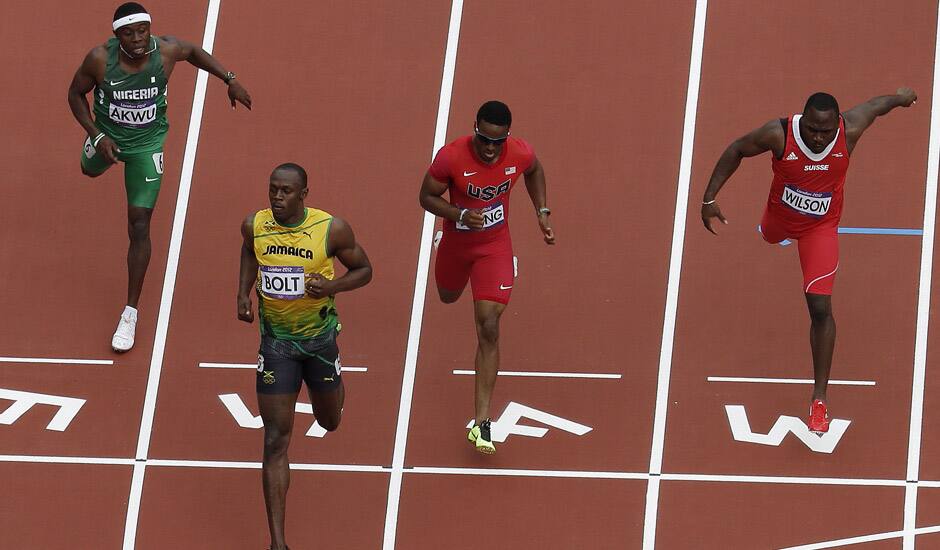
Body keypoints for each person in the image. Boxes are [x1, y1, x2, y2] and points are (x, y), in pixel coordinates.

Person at [701, 87, 917, 434]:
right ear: (802, 122)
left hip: (821, 229)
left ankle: (819, 400)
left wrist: (900, 97)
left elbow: (877, 106)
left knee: (820, 309)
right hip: (779, 219)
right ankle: (777, 233)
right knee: (770, 235)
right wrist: (710, 197)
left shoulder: (851, 129)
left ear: (837, 126)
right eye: (812, 130)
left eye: (826, 131)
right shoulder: (779, 133)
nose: (818, 138)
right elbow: (737, 149)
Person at [67, 2, 252, 352]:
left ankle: (130, 312)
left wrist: (230, 79)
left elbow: (194, 51)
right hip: (107, 137)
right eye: (128, 34)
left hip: (147, 145)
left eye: (142, 31)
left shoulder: (165, 51)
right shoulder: (97, 61)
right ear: (116, 36)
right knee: (87, 169)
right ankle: (99, 148)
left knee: (139, 224)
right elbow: (74, 94)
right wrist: (96, 134)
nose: (137, 40)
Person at [237, 163, 371, 550]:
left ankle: (332, 388)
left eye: (285, 192)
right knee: (276, 439)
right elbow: (249, 250)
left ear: (303, 194)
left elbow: (364, 270)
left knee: (329, 422)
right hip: (276, 345)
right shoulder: (255, 225)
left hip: (320, 343)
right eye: (272, 190)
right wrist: (242, 293)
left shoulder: (331, 229)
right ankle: (277, 543)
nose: (277, 198)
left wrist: (332, 285)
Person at [419, 100, 555, 454]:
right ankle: (445, 247)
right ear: (475, 130)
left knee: (488, 324)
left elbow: (535, 170)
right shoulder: (450, 157)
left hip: (495, 245)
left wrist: (541, 210)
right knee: (448, 296)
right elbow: (426, 197)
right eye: (485, 141)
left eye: (498, 142)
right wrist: (459, 212)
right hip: (456, 242)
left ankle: (482, 423)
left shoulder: (520, 153)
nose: (491, 149)